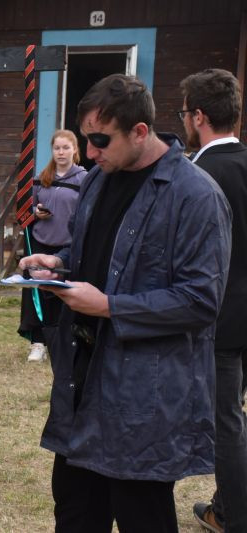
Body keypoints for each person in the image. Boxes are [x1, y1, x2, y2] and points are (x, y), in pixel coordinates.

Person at [19, 74, 231, 531]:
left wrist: (110, 307)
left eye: (100, 140)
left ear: (139, 131)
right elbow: (99, 254)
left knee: (142, 517)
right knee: (75, 514)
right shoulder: (98, 179)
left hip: (143, 399)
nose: (90, 152)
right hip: (82, 382)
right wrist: (59, 262)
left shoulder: (196, 195)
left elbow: (201, 300)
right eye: (85, 139)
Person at [180, 68, 247, 533]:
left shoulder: (198, 175)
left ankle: (233, 518)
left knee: (226, 425)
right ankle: (226, 505)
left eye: (184, 113)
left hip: (220, 318)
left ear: (199, 116)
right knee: (233, 420)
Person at [18, 130, 86, 362]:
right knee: (36, 294)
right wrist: (36, 212)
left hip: (66, 248)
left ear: (75, 150)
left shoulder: (84, 179)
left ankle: (62, 342)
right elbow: (28, 207)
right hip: (41, 243)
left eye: (66, 148)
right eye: (57, 148)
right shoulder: (42, 177)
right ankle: (38, 342)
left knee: (61, 296)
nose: (61, 152)